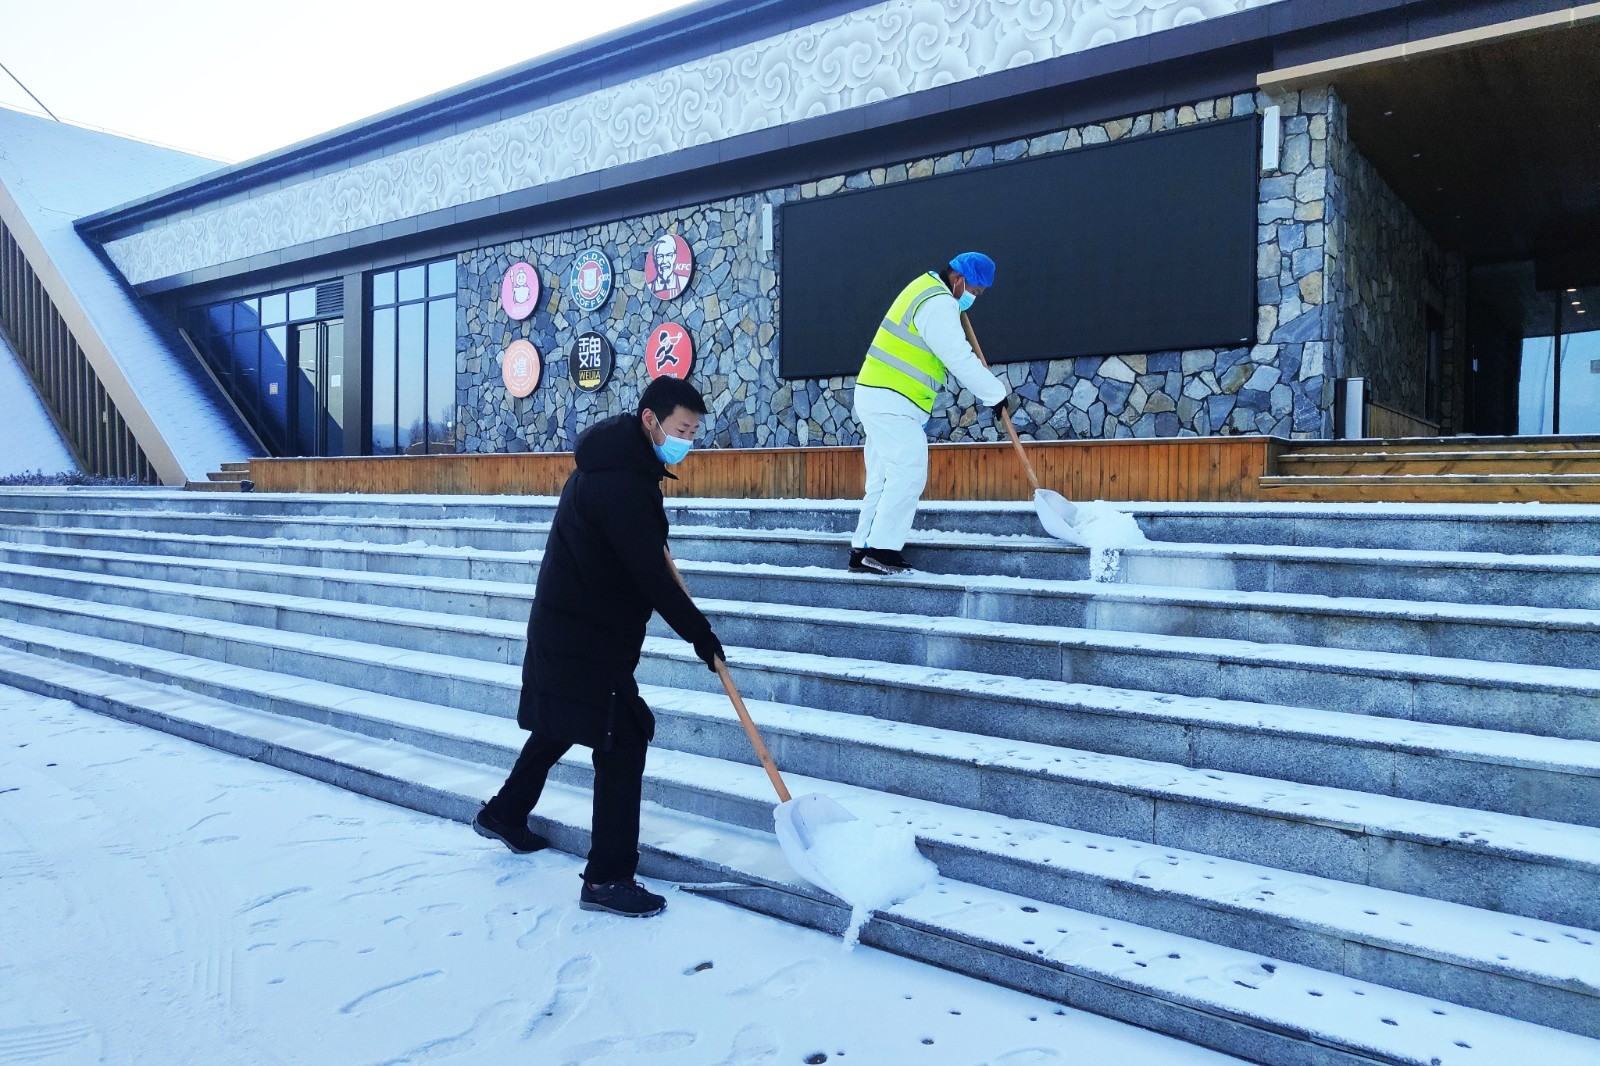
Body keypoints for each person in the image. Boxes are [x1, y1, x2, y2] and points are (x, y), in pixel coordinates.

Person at [473, 376, 724, 918]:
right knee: (624, 736)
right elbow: (651, 577)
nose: (687, 442)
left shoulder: (619, 465)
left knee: (565, 720)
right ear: (651, 421)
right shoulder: (621, 483)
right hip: (584, 636)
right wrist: (701, 636)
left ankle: (504, 813)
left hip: (572, 627)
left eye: (693, 433)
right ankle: (607, 879)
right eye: (682, 430)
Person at [849, 252, 1012, 574]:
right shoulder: (938, 303)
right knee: (907, 472)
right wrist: (995, 393)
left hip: (881, 395)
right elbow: (958, 357)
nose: (973, 298)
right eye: (975, 291)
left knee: (883, 477)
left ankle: (864, 549)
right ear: (958, 279)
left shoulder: (924, 289)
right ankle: (881, 550)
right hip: (891, 399)